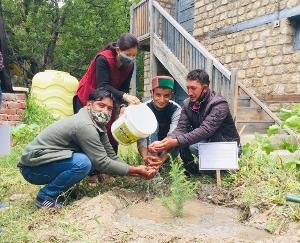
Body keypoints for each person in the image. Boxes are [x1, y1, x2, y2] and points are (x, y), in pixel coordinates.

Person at [18, 89, 157, 209]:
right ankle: (46, 196)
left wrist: (136, 171)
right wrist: (135, 170)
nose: (105, 111)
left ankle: (60, 190)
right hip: (32, 169)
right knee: (84, 163)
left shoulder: (98, 125)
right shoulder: (85, 125)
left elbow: (111, 156)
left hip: (44, 163)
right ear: (89, 105)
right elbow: (102, 162)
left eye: (109, 108)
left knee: (88, 161)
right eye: (101, 105)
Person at [149, 69, 241, 175]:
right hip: (206, 144)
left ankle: (222, 167)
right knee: (182, 140)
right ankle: (192, 169)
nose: (189, 92)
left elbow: (205, 130)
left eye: (193, 88)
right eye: (188, 88)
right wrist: (164, 142)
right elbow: (181, 129)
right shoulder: (188, 104)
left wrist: (175, 142)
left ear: (205, 88)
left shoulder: (219, 104)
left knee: (221, 175)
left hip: (227, 146)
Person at [73, 33, 140, 152]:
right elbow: (102, 86)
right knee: (88, 131)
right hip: (88, 96)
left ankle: (110, 164)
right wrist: (125, 96)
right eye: (128, 54)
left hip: (109, 98)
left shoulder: (130, 65)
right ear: (118, 50)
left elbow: (123, 87)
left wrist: (123, 105)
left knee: (110, 132)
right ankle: (86, 164)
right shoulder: (103, 58)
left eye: (134, 55)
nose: (131, 58)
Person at [137, 76, 181, 168]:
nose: (161, 100)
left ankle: (163, 162)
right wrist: (145, 157)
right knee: (152, 124)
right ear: (151, 93)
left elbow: (173, 135)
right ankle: (151, 161)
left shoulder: (176, 110)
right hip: (149, 146)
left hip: (169, 148)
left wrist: (161, 159)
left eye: (166, 96)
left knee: (178, 135)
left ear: (171, 95)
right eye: (158, 95)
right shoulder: (144, 108)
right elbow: (141, 137)